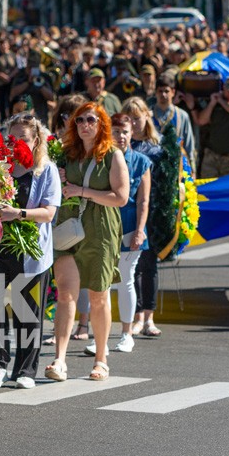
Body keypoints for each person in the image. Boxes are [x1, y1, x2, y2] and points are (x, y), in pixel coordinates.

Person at [46, 102, 127, 384]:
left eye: (90, 120)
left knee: (97, 295)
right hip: (69, 225)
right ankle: (60, 358)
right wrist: (57, 179)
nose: (84, 125)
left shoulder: (112, 155)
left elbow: (121, 197)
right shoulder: (67, 155)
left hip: (100, 227)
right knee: (66, 293)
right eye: (79, 121)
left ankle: (101, 359)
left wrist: (82, 190)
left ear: (101, 124)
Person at [0, 113, 61, 389]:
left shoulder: (45, 169)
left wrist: (19, 214)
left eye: (23, 139)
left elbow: (49, 212)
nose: (16, 145)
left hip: (31, 251)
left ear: (36, 140)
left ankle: (25, 370)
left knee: (28, 312)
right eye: (11, 139)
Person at [85, 114, 149, 356]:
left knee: (125, 280)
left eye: (125, 131)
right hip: (102, 227)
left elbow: (143, 200)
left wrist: (140, 231)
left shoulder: (141, 162)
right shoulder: (100, 158)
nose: (120, 136)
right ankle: (99, 336)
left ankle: (126, 333)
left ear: (132, 132)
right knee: (100, 283)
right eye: (116, 132)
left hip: (130, 226)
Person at [121, 97, 164, 338]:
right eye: (129, 119)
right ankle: (136, 317)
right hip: (128, 212)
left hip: (152, 213)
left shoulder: (156, 148)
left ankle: (149, 317)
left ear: (147, 116)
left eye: (137, 118)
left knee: (149, 266)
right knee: (130, 269)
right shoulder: (122, 147)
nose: (134, 124)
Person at [195, 76, 229, 178]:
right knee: (209, 189)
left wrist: (221, 101)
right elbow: (201, 120)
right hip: (213, 157)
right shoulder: (215, 103)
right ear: (223, 89)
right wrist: (212, 103)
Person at [148, 73, 196, 177]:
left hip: (177, 165)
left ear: (173, 92)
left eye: (166, 91)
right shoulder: (148, 115)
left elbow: (189, 144)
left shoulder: (182, 116)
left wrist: (192, 168)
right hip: (153, 165)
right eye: (160, 91)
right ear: (155, 93)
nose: (163, 95)